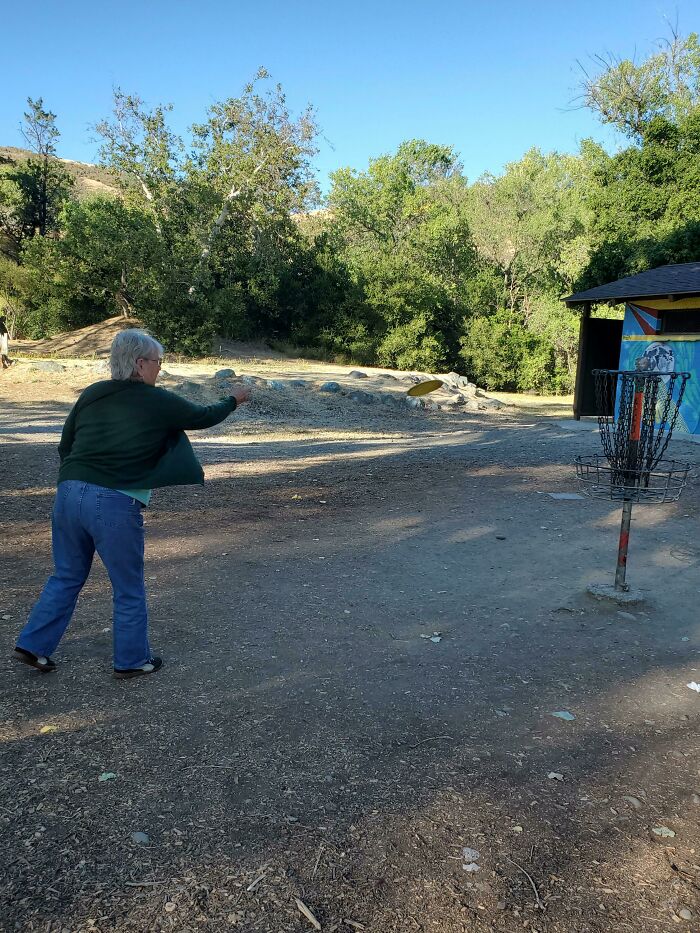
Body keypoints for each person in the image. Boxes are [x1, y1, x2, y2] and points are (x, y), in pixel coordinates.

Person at [13, 328, 250, 679]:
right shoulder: (153, 399)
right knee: (128, 584)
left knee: (66, 575)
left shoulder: (92, 394)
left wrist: (76, 475)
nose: (159, 369)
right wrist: (234, 399)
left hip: (69, 492)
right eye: (158, 362)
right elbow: (202, 416)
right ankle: (131, 659)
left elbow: (67, 443)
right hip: (112, 498)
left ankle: (33, 645)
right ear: (140, 364)